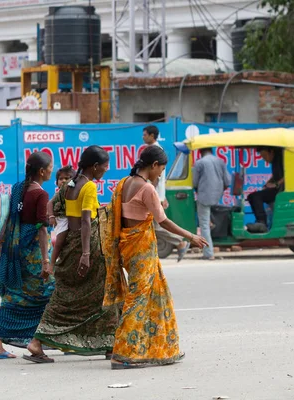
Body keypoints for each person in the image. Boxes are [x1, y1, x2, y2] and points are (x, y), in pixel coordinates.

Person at [101, 145, 208, 369]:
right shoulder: (146, 188)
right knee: (138, 300)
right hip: (141, 250)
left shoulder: (124, 183)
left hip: (129, 248)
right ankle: (121, 355)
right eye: (161, 169)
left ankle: (156, 348)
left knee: (153, 296)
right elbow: (163, 221)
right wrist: (190, 236)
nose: (161, 173)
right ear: (154, 165)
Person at [24, 145, 120, 363]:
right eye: (104, 167)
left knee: (65, 297)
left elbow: (59, 211)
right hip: (88, 245)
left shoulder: (69, 185)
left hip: (70, 244)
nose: (105, 171)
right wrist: (86, 254)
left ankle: (37, 342)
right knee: (106, 293)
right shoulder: (89, 188)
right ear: (94, 167)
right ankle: (111, 345)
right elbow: (86, 221)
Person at [0, 151, 55, 359]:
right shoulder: (40, 194)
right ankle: (36, 341)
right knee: (48, 292)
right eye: (51, 167)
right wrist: (45, 261)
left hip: (15, 250)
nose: (52, 169)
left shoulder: (18, 188)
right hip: (32, 253)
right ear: (42, 171)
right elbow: (42, 230)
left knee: (14, 295)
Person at [142, 125, 190, 261]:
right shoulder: (152, 149)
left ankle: (180, 242)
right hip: (154, 194)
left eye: (145, 134)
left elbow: (158, 177)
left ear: (152, 136)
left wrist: (159, 197)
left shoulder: (156, 151)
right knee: (154, 224)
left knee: (156, 224)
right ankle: (179, 243)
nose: (143, 137)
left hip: (153, 194)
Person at [192, 147, 231, 260]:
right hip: (217, 195)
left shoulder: (199, 163)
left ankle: (208, 253)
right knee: (207, 220)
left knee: (204, 225)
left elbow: (194, 182)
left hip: (204, 197)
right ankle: (211, 222)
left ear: (200, 152)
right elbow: (227, 181)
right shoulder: (220, 161)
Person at [44, 166, 75, 278]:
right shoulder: (58, 193)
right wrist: (52, 216)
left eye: (67, 178)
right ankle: (52, 264)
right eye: (61, 179)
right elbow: (49, 204)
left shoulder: (73, 192)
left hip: (70, 220)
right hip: (62, 220)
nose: (64, 181)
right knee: (59, 243)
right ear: (57, 182)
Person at [246, 146, 284, 232]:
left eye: (264, 156)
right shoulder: (275, 161)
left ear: (271, 152)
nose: (264, 159)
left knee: (256, 196)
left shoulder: (282, 159)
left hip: (282, 191)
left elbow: (289, 174)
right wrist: (267, 183)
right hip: (277, 189)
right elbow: (276, 175)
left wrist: (277, 184)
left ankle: (262, 222)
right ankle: (260, 221)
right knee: (252, 196)